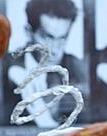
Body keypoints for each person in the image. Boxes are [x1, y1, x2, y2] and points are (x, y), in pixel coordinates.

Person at [5, 0, 89, 128]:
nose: (54, 50)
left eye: (62, 38)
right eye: (47, 38)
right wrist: (14, 72)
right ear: (28, 32)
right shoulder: (4, 66)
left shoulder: (79, 70)